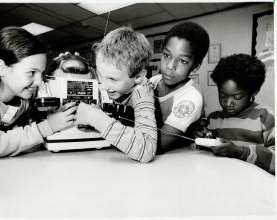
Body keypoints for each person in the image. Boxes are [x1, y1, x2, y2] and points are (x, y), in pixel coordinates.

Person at [0, 26, 77, 158]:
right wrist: (48, 126)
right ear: (1, 68)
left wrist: (56, 114)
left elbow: (28, 125)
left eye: (41, 73)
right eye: (32, 72)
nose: (39, 82)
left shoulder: (25, 93)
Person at [75, 26, 157, 163]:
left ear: (138, 76)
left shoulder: (143, 91)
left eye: (113, 79)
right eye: (100, 75)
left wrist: (94, 117)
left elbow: (147, 150)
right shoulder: (109, 84)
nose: (104, 86)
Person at [197, 54, 275, 174]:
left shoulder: (265, 116)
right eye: (222, 96)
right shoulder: (214, 119)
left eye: (237, 97)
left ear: (253, 92)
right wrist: (203, 141)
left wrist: (240, 151)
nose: (228, 103)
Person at [150, 21, 210, 154]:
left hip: (176, 164)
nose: (170, 66)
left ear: (195, 66)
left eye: (182, 61)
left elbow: (157, 145)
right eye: (166, 55)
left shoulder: (191, 97)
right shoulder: (153, 81)